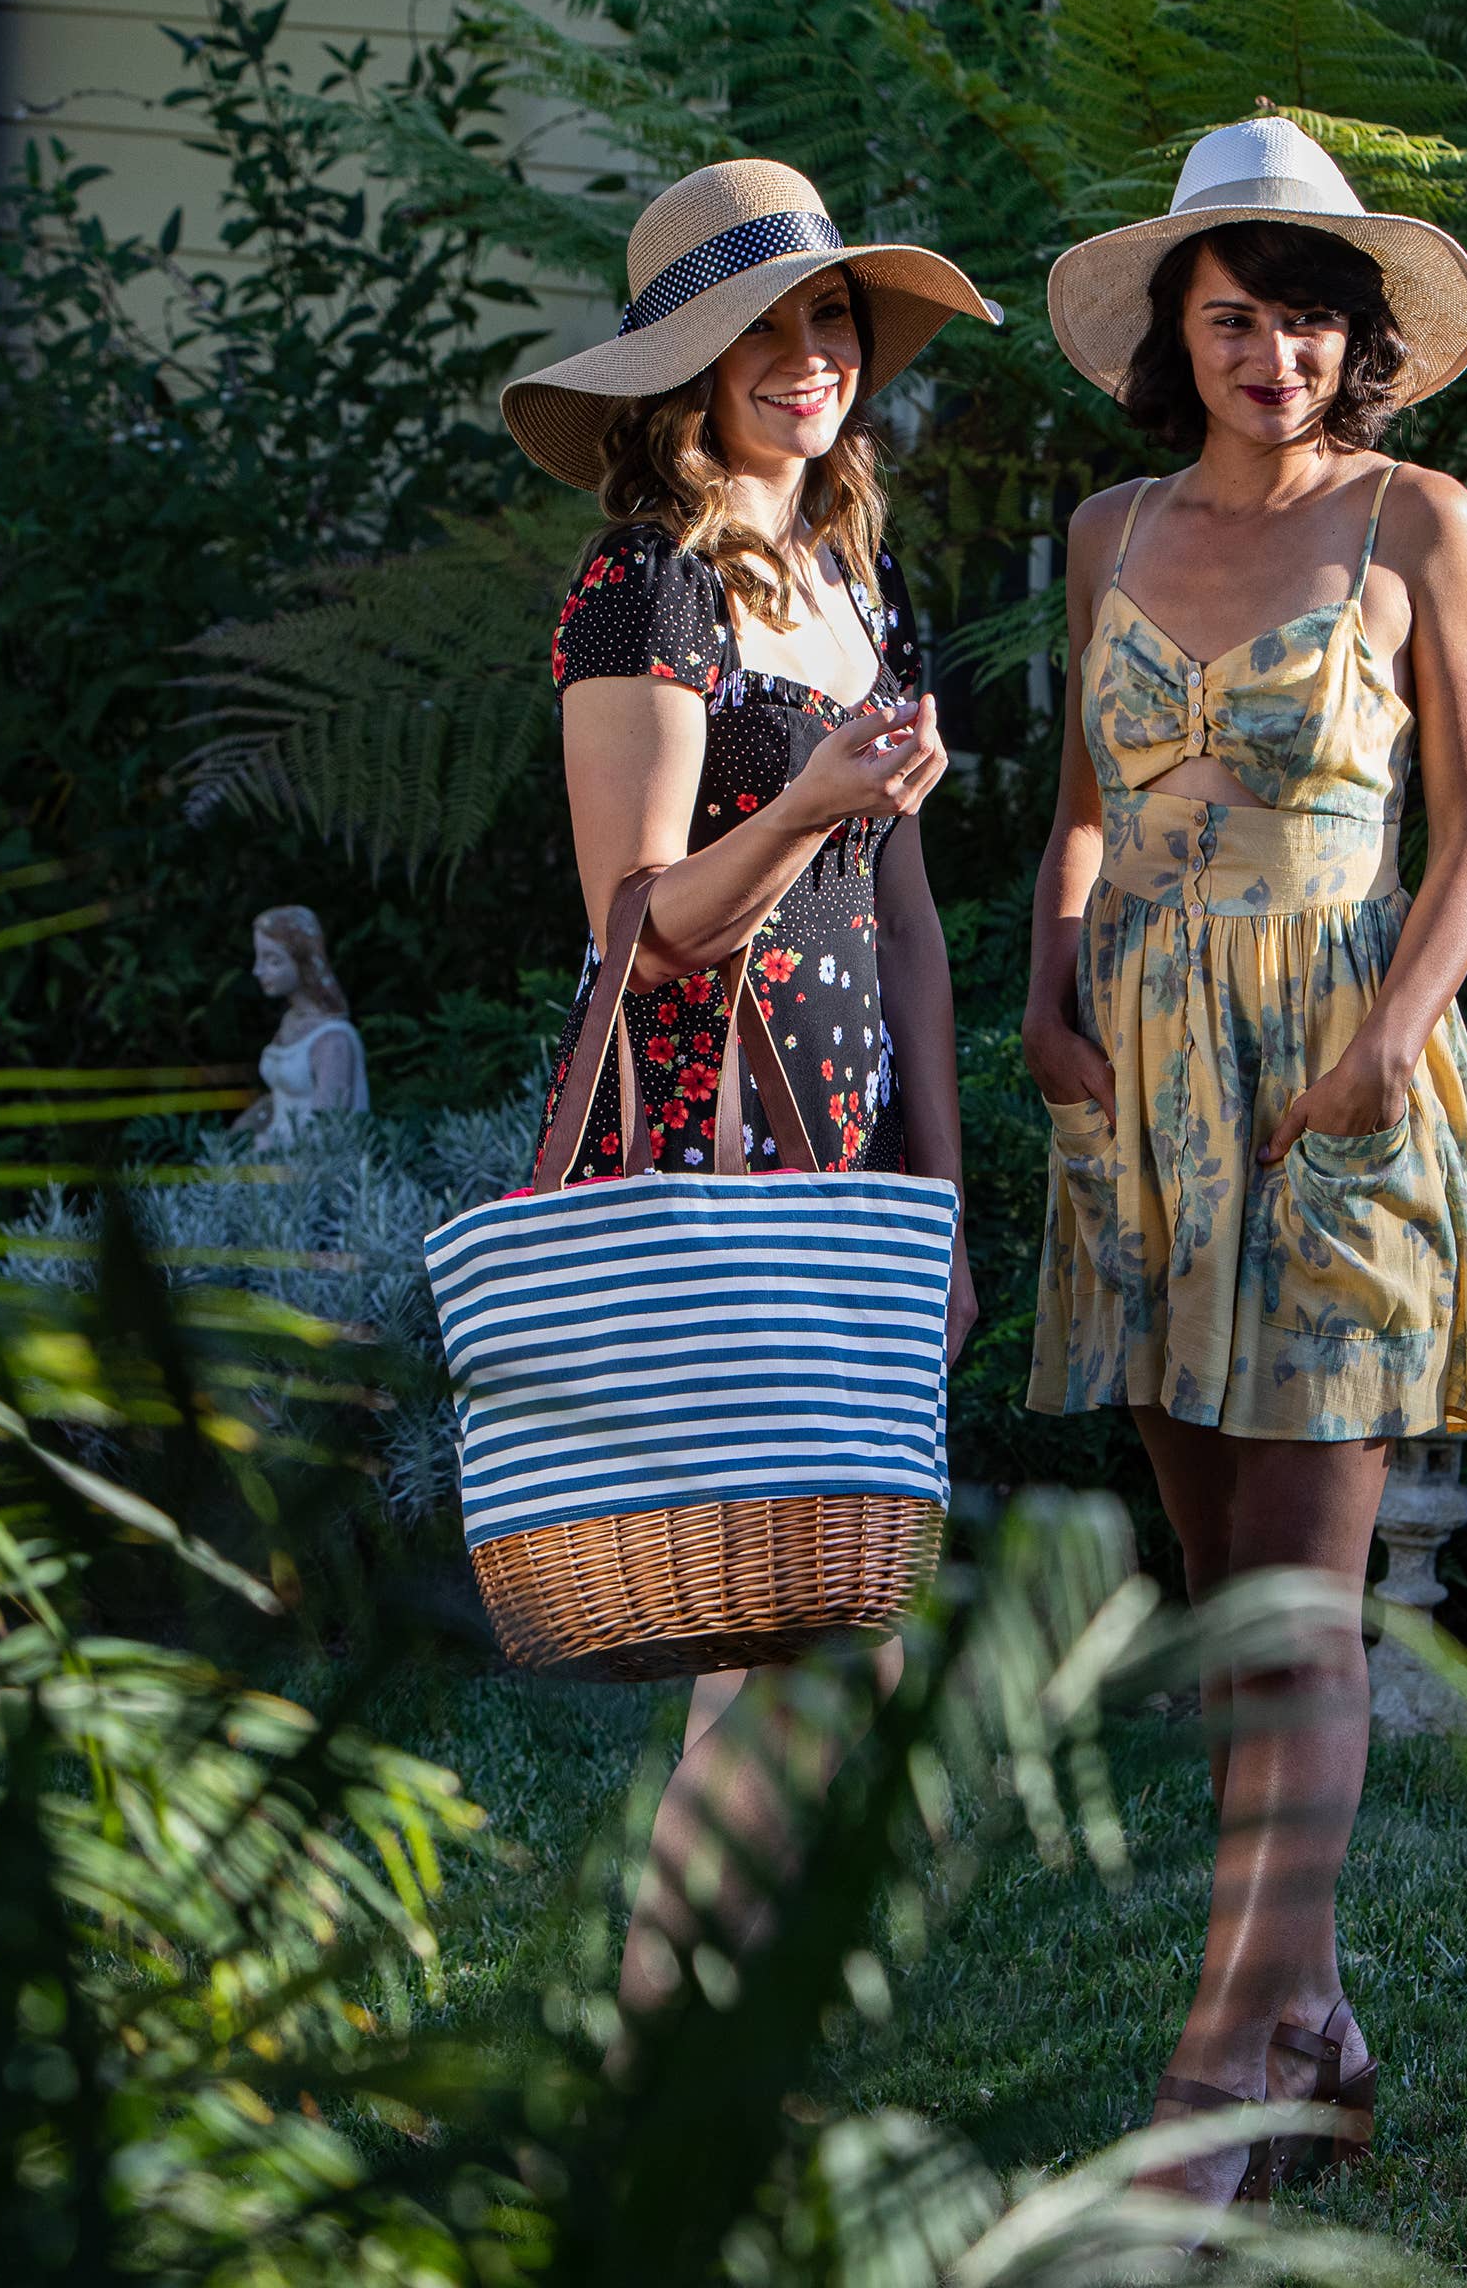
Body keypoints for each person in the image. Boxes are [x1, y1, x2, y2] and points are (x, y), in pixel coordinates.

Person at [1022, 116, 1467, 2202]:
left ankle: (1207, 2099)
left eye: (1311, 323)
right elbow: (1072, 798)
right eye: (1237, 320)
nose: (1276, 358)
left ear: (1358, 343)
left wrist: (1385, 1043)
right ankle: (1309, 2030)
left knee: (1307, 1625)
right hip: (1137, 1089)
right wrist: (1044, 991)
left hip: (1340, 1082)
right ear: (1179, 334)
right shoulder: (1104, 528)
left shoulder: (1419, 521)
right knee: (1230, 1607)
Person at [496, 157, 994, 2019]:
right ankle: (664, 2071)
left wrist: (938, 1197)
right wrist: (805, 805)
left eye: (830, 317)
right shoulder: (645, 594)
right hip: (712, 1143)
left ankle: (703, 2071)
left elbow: (917, 929)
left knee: (810, 1627)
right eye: (763, 330)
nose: (810, 358)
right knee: (792, 1630)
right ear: (686, 379)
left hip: (848, 1150)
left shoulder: (863, 583)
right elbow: (642, 920)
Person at [233, 904, 368, 1142]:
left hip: (309, 1167)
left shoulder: (332, 1040)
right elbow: (280, 1099)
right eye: (259, 958)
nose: (257, 970)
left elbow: (328, 1126)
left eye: (273, 961)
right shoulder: (291, 1021)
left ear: (303, 963)